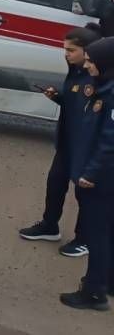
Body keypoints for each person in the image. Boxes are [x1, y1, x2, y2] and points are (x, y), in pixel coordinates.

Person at [20, 26, 102, 257]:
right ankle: (49, 225)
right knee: (55, 183)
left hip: (85, 146)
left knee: (84, 195)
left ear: (87, 52)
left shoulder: (96, 75)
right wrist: (58, 97)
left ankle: (84, 239)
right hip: (67, 142)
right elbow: (74, 105)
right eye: (64, 49)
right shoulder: (75, 71)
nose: (66, 54)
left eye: (71, 50)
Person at [60, 37, 114, 310]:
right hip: (98, 174)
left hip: (100, 179)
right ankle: (106, 280)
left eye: (92, 61)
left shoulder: (110, 95)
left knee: (97, 234)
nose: (87, 64)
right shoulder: (102, 88)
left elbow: (109, 142)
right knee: (106, 231)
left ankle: (94, 292)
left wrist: (89, 174)